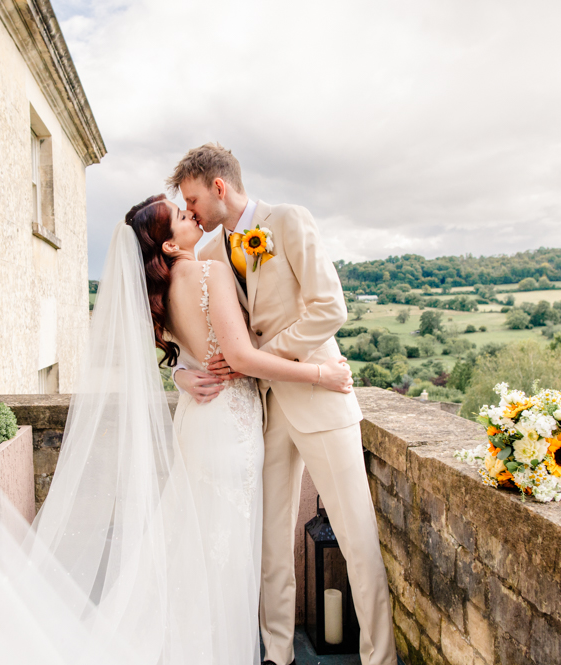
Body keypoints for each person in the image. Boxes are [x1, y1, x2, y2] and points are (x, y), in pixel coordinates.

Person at [169, 143, 396, 665]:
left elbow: (329, 308)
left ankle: (379, 659)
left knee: (358, 543)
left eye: (192, 198)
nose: (191, 210)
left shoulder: (289, 221)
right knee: (271, 544)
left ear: (218, 186)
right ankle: (277, 654)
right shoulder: (205, 257)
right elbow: (192, 332)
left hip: (320, 398)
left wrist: (257, 357)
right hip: (263, 414)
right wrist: (183, 373)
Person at [123, 194, 352, 664]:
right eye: (180, 216)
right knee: (225, 549)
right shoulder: (210, 272)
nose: (191, 214)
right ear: (168, 246)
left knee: (195, 541)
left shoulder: (160, 295)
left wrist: (179, 374)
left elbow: (187, 356)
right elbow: (243, 359)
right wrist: (320, 374)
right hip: (229, 422)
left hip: (197, 419)